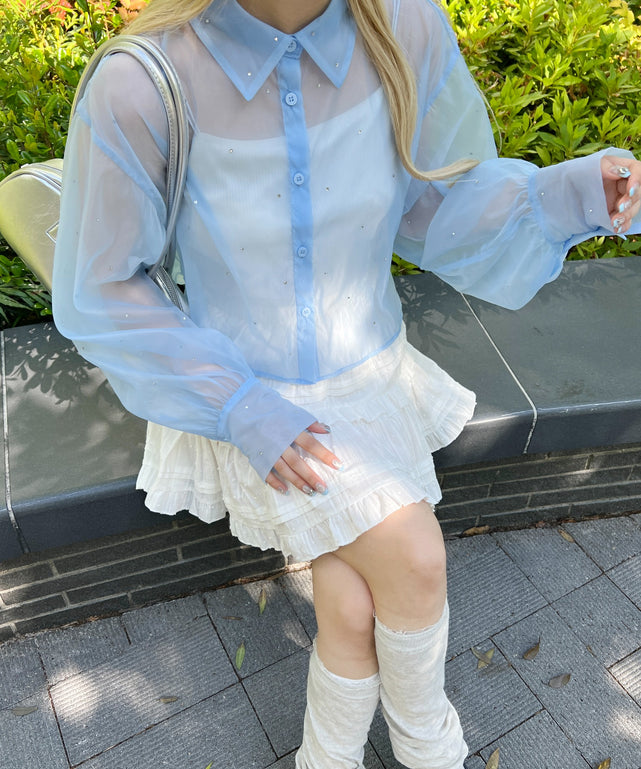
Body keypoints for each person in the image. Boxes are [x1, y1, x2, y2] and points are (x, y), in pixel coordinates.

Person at [52, 0, 641, 766]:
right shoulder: (141, 81)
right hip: (252, 402)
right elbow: (105, 287)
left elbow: (430, 201)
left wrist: (568, 194)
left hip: (373, 377)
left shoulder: (403, 25)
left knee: (351, 602)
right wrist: (238, 405)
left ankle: (325, 755)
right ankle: (429, 745)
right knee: (416, 560)